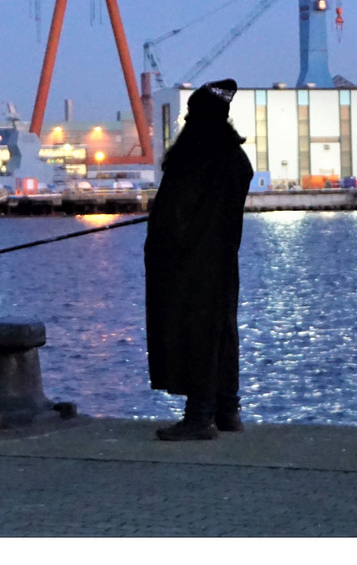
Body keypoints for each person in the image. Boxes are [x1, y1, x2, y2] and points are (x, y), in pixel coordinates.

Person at [144, 78, 254, 441]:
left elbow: (176, 213)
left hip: (189, 264)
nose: (188, 121)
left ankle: (199, 416)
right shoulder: (236, 159)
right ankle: (227, 410)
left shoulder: (194, 157)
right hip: (224, 261)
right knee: (222, 331)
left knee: (195, 334)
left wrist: (159, 226)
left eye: (191, 113)